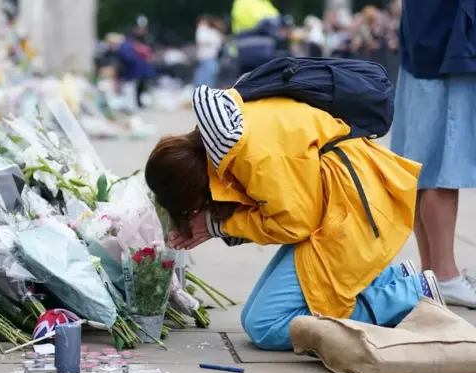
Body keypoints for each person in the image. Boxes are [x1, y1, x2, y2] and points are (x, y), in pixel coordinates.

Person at [144, 84, 445, 351]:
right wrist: (216, 225)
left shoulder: (252, 155)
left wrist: (218, 225)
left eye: (189, 207)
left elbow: (294, 224)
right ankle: (394, 278)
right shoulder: (224, 135)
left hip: (352, 212)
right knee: (253, 316)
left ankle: (413, 294)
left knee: (265, 325)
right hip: (345, 197)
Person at [390, 0, 476, 307]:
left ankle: (432, 273)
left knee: (420, 169)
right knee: (440, 169)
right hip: (446, 49)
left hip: (424, 46)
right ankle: (445, 274)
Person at [104, 33, 156, 113]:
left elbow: (128, 61)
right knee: (131, 89)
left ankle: (130, 108)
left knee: (129, 89)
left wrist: (122, 72)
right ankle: (131, 107)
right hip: (135, 71)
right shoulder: (126, 46)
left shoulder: (123, 49)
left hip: (131, 72)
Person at [194, 16, 224, 88]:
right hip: (206, 58)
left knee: (208, 79)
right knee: (205, 79)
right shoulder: (203, 30)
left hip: (211, 58)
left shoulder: (211, 32)